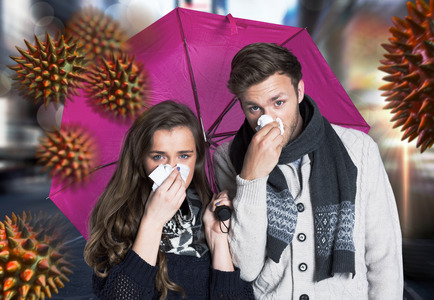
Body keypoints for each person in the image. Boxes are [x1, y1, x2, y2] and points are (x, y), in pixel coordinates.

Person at [213, 43, 403, 299]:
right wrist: (251, 178)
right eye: (254, 108)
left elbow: (384, 255)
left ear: (299, 91)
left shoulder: (358, 148)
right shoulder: (229, 156)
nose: (268, 119)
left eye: (279, 102)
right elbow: (246, 268)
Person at [84, 101, 254, 299]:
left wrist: (218, 241)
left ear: (196, 159)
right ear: (141, 160)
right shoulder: (120, 218)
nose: (173, 168)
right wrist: (153, 222)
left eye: (183, 156)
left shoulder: (214, 213)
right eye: (158, 157)